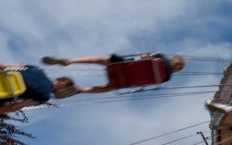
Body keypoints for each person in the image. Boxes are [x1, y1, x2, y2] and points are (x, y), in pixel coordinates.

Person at [40, 53, 185, 95]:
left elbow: (142, 57)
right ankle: (79, 89)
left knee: (99, 60)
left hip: (120, 67)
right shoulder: (166, 78)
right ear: (177, 67)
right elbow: (151, 83)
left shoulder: (159, 57)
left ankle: (71, 60)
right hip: (124, 82)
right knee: (106, 88)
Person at [0, 63, 75, 112]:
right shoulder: (45, 97)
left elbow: (5, 66)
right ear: (63, 84)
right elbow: (17, 106)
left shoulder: (36, 69)